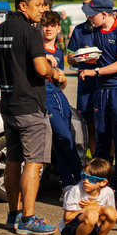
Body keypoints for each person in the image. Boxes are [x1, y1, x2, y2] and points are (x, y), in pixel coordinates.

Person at [0, 0, 65, 235]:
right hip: (30, 106)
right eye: (39, 5)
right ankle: (28, 219)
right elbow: (42, 70)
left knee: (12, 160)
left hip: (8, 105)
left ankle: (13, 215)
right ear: (23, 6)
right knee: (34, 163)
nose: (42, 10)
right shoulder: (31, 34)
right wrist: (56, 73)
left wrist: (12, 77)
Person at [78, 0, 117, 200]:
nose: (90, 19)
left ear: (104, 13)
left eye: (93, 15)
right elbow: (99, 57)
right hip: (102, 90)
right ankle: (98, 181)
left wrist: (96, 71)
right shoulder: (96, 31)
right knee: (102, 137)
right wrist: (87, 58)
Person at [40, 11, 83, 195]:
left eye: (52, 25)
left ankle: (67, 185)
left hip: (60, 97)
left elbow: (61, 80)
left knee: (63, 142)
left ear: (59, 28)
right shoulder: (36, 49)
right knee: (65, 138)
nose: (48, 28)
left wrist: (61, 78)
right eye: (45, 25)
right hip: (46, 97)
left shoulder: (58, 51)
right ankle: (81, 180)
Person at [61, 158, 117, 235]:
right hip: (70, 233)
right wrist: (87, 209)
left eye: (91, 179)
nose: (85, 181)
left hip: (91, 231)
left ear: (103, 183)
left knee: (112, 213)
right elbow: (67, 219)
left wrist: (97, 206)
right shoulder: (76, 190)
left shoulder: (107, 192)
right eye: (84, 176)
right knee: (92, 214)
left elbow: (107, 215)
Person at [66, 0, 101, 154]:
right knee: (89, 125)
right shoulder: (79, 30)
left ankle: (108, 161)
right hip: (86, 85)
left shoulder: (106, 28)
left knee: (106, 125)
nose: (87, 11)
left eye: (90, 6)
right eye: (84, 6)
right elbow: (70, 57)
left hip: (104, 82)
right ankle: (93, 159)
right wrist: (82, 56)